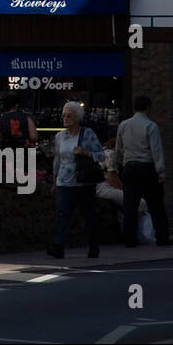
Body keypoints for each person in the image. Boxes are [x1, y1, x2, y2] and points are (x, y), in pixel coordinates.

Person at [114, 96, 173, 247]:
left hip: (129, 167)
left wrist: (120, 166)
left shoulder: (123, 125)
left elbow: (119, 149)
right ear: (148, 108)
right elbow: (156, 150)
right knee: (156, 205)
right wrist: (161, 172)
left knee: (130, 206)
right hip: (147, 168)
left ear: (134, 108)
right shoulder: (151, 126)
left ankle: (129, 239)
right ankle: (162, 238)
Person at [48, 101, 105, 259]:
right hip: (63, 182)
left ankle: (94, 248)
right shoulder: (60, 136)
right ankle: (58, 246)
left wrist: (85, 152)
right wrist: (54, 181)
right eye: (64, 116)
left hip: (83, 182)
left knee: (88, 215)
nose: (65, 119)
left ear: (77, 117)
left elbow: (101, 155)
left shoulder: (87, 134)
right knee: (62, 213)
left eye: (69, 116)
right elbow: (57, 160)